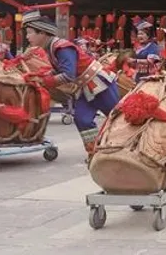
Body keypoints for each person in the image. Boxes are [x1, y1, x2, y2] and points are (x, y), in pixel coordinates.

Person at [22, 10, 119, 155]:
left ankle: (128, 149)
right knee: (82, 119)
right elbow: (58, 70)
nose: (27, 36)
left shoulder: (62, 47)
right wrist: (40, 75)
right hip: (85, 88)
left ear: (42, 33)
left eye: (30, 32)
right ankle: (95, 152)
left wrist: (44, 81)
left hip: (100, 85)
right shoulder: (50, 48)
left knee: (117, 118)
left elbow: (68, 75)